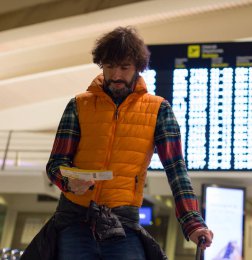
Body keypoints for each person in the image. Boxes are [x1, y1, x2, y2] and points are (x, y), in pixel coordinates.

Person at [39, 26, 213, 259]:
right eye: (110, 66)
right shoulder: (79, 105)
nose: (117, 75)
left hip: (123, 222)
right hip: (74, 219)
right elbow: (55, 164)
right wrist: (69, 181)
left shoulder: (159, 109)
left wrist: (193, 224)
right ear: (102, 65)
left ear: (138, 68)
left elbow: (176, 171)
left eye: (124, 67)